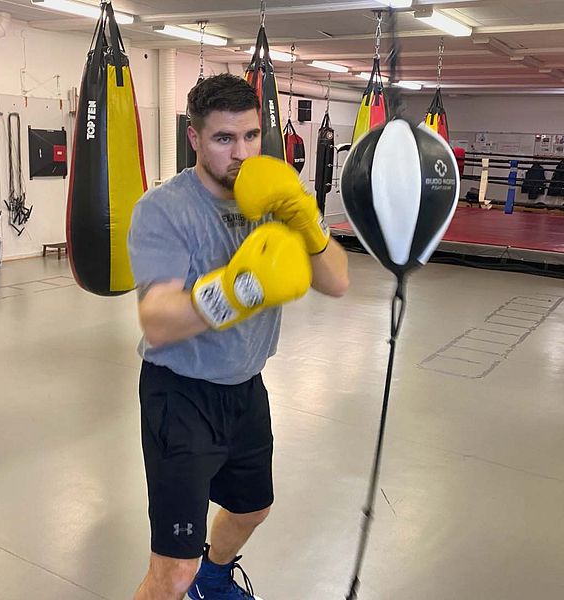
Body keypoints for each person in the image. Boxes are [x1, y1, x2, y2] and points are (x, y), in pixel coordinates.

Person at [128, 73, 349, 600]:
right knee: (170, 572)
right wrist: (241, 290)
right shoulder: (164, 209)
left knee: (252, 507)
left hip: (247, 387)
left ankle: (214, 576)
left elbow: (336, 282)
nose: (242, 153)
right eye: (224, 139)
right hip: (180, 397)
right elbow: (156, 319)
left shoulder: (274, 195)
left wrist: (309, 224)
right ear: (195, 138)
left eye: (251, 136)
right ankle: (190, 577)